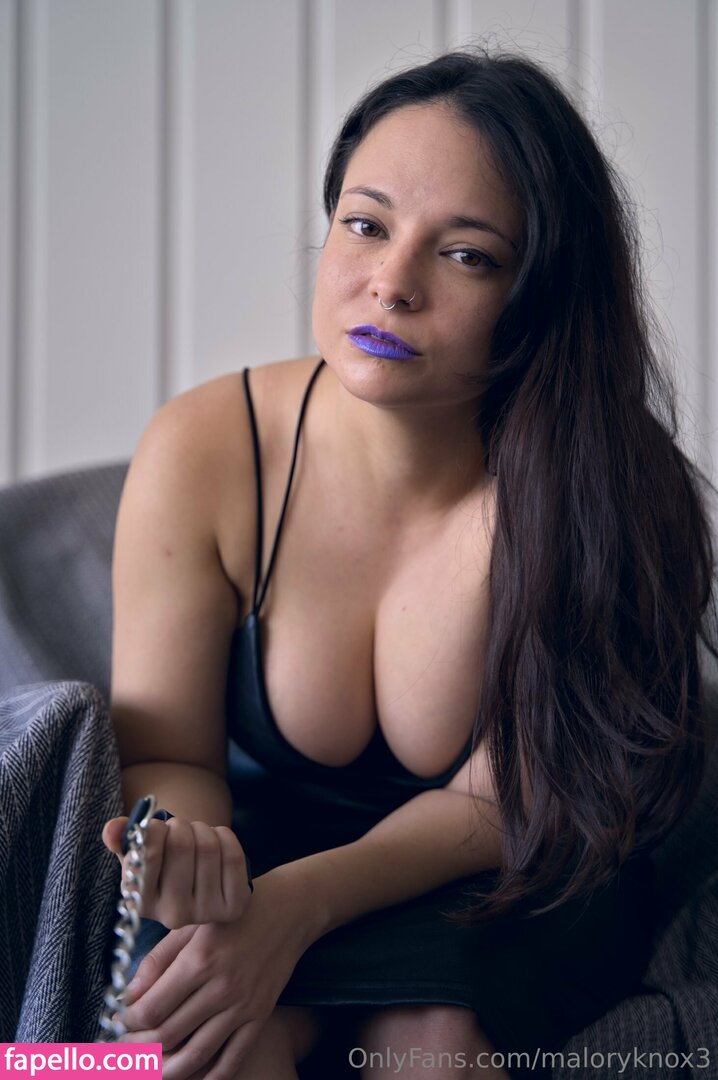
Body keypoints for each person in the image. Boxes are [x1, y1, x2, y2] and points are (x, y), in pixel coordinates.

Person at [101, 47, 717, 1080]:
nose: (391, 283)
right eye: (366, 224)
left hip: (507, 878)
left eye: (466, 255)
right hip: (268, 853)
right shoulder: (206, 450)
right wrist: (195, 863)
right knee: (211, 1046)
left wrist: (298, 908)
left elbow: (509, 802)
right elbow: (169, 754)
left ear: (538, 290)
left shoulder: (607, 484)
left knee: (428, 1045)